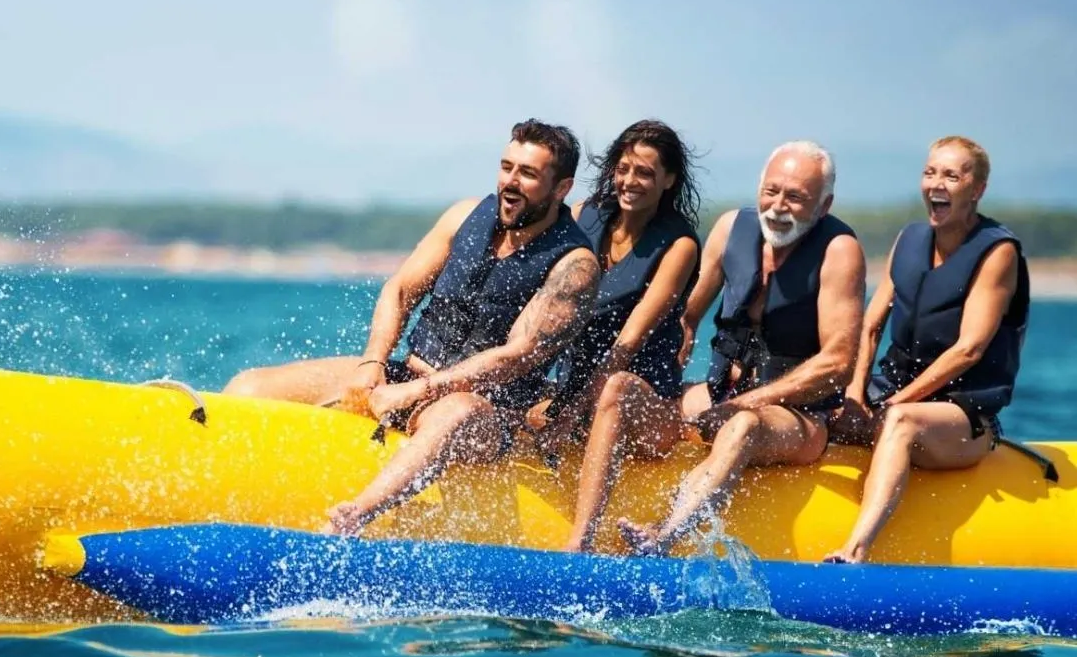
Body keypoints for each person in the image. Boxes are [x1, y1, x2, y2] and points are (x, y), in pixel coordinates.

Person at [222, 121, 601, 536]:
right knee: (250, 387)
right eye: (506, 167)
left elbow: (516, 355)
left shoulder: (574, 265)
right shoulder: (463, 216)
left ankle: (353, 518)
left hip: (487, 413)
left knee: (457, 412)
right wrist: (373, 363)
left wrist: (422, 390)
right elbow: (401, 290)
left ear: (561, 188)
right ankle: (219, 497)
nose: (510, 182)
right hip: (406, 375)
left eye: (527, 173)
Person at [618, 141, 866, 556]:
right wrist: (668, 361)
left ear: (824, 206)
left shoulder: (839, 251)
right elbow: (686, 316)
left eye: (795, 197)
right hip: (720, 393)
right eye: (771, 191)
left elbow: (838, 362)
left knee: (742, 427)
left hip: (798, 416)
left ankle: (663, 536)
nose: (778, 207)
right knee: (628, 398)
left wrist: (747, 404)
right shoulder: (731, 229)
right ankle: (579, 519)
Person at [823, 137, 1029, 564]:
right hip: (892, 392)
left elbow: (969, 349)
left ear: (977, 189)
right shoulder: (910, 239)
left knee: (899, 422)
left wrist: (893, 404)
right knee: (819, 409)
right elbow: (870, 326)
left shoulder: (998, 252)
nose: (936, 183)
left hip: (962, 415)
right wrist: (855, 395)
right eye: (930, 172)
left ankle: (855, 549)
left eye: (951, 176)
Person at [532, 120, 702, 552]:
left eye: (644, 172)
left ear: (669, 180)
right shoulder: (585, 215)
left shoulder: (679, 246)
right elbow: (545, 309)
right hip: (578, 393)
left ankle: (581, 541)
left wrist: (571, 413)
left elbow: (629, 341)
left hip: (646, 407)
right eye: (623, 169)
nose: (629, 181)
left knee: (617, 387)